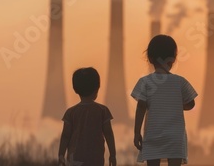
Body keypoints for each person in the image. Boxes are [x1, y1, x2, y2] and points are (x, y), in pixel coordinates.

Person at [131, 35, 198, 166]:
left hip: (153, 135)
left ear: (150, 59)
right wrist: (176, 104)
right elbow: (191, 104)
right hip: (175, 137)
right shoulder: (180, 82)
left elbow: (141, 107)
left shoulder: (145, 82)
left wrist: (136, 132)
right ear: (173, 59)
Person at [58, 67, 117, 166]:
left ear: (76, 89)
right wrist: (113, 155)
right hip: (95, 160)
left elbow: (65, 136)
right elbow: (109, 134)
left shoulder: (70, 113)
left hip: (75, 161)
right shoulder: (103, 111)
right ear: (97, 88)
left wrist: (61, 156)